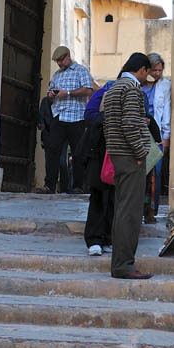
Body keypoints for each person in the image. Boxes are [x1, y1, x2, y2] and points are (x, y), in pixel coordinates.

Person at [102, 52, 154, 279]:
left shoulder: (114, 87)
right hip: (131, 157)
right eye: (147, 73)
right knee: (130, 213)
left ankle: (120, 263)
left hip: (118, 154)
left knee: (122, 210)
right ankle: (124, 265)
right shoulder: (131, 89)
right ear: (141, 69)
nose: (147, 78)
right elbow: (131, 124)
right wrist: (141, 152)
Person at [37, 46, 94, 194]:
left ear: (68, 56)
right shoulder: (56, 75)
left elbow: (88, 90)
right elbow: (50, 92)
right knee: (52, 151)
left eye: (61, 60)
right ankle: (49, 185)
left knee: (78, 153)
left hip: (76, 117)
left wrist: (67, 93)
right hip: (59, 117)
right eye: (57, 61)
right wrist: (51, 95)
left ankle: (78, 186)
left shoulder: (81, 71)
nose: (59, 64)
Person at [76, 80, 115, 256]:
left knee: (114, 199)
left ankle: (107, 237)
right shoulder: (103, 95)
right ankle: (94, 239)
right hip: (98, 155)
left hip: (116, 156)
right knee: (98, 197)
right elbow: (90, 117)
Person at [143, 53, 171, 221]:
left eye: (160, 70)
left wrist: (166, 136)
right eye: (154, 70)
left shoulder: (165, 86)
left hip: (157, 133)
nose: (157, 74)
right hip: (139, 132)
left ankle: (152, 210)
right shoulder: (138, 84)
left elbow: (166, 111)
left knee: (156, 172)